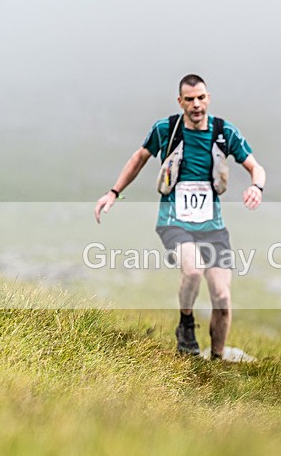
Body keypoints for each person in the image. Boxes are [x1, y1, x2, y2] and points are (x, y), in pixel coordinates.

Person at [94, 74, 266, 359]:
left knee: (222, 297)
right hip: (174, 220)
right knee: (194, 269)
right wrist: (113, 192)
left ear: (208, 98)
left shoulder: (224, 132)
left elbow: (255, 167)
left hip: (213, 226)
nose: (196, 105)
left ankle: (217, 360)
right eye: (190, 99)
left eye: (201, 98)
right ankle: (186, 323)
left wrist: (256, 187)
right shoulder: (166, 129)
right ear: (180, 101)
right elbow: (139, 157)